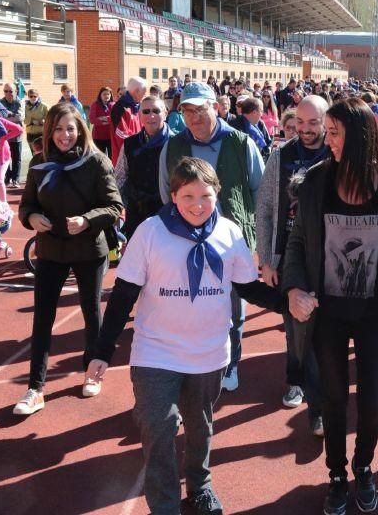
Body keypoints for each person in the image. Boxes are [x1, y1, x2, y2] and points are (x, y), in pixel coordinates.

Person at [85, 157, 282, 515]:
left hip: (208, 353)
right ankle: (165, 506)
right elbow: (124, 295)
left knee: (200, 426)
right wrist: (102, 351)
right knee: (158, 429)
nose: (197, 205)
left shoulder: (229, 232)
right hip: (156, 353)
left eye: (205, 196)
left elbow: (250, 289)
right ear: (173, 196)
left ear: (217, 195)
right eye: (188, 196)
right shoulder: (150, 232)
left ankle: (200, 484)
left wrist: (291, 303)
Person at [282, 98, 378, 515]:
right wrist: (294, 287)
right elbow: (296, 244)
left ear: (359, 136)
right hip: (327, 313)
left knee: (372, 401)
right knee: (333, 398)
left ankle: (363, 466)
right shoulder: (315, 182)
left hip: (376, 314)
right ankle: (336, 474)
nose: (325, 140)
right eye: (327, 132)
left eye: (334, 133)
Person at [13, 102, 123, 416]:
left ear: (81, 130)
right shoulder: (38, 162)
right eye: (59, 129)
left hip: (88, 249)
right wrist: (32, 217)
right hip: (50, 251)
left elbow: (114, 205)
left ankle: (92, 370)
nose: (65, 135)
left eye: (71, 128)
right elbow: (26, 205)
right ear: (49, 131)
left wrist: (87, 220)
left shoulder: (97, 161)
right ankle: (35, 388)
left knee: (91, 312)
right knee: (42, 318)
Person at [159, 82, 264, 392]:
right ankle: (193, 364)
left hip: (231, 241)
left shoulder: (241, 143)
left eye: (200, 109)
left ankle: (231, 362)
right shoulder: (173, 146)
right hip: (186, 240)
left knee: (233, 305)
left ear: (216, 107)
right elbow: (166, 192)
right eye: (187, 111)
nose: (194, 117)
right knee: (190, 303)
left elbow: (259, 192)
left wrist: (252, 235)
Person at [256, 95, 329, 433]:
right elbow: (266, 209)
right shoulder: (280, 156)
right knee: (296, 331)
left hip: (330, 259)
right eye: (300, 123)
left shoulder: (337, 153)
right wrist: (267, 260)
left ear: (326, 122)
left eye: (313, 123)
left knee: (322, 334)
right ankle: (295, 380)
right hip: (290, 257)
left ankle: (318, 405)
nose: (306, 130)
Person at [115, 96, 170, 238]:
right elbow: (119, 178)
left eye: (156, 111)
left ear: (165, 113)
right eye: (145, 111)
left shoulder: (176, 143)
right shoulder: (129, 143)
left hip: (167, 215)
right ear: (139, 116)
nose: (151, 115)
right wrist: (115, 209)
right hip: (136, 215)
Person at [111, 77, 148, 165]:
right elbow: (121, 135)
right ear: (136, 91)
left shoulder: (137, 106)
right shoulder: (120, 108)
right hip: (124, 158)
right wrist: (138, 148)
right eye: (144, 92)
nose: (145, 95)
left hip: (137, 154)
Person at [0, 83, 25, 188]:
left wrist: (4, 119)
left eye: (10, 91)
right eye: (6, 91)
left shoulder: (19, 102)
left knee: (16, 158)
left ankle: (16, 179)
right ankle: (7, 178)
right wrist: (9, 117)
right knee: (5, 158)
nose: (8, 93)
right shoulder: (0, 102)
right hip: (4, 135)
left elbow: (19, 117)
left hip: (16, 135)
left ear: (16, 91)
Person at [89, 86, 114, 156]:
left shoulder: (114, 105)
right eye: (104, 94)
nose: (106, 96)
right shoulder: (95, 105)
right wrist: (106, 122)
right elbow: (92, 120)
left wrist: (103, 118)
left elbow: (114, 118)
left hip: (110, 136)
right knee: (100, 157)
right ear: (100, 95)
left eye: (108, 94)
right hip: (98, 136)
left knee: (111, 157)